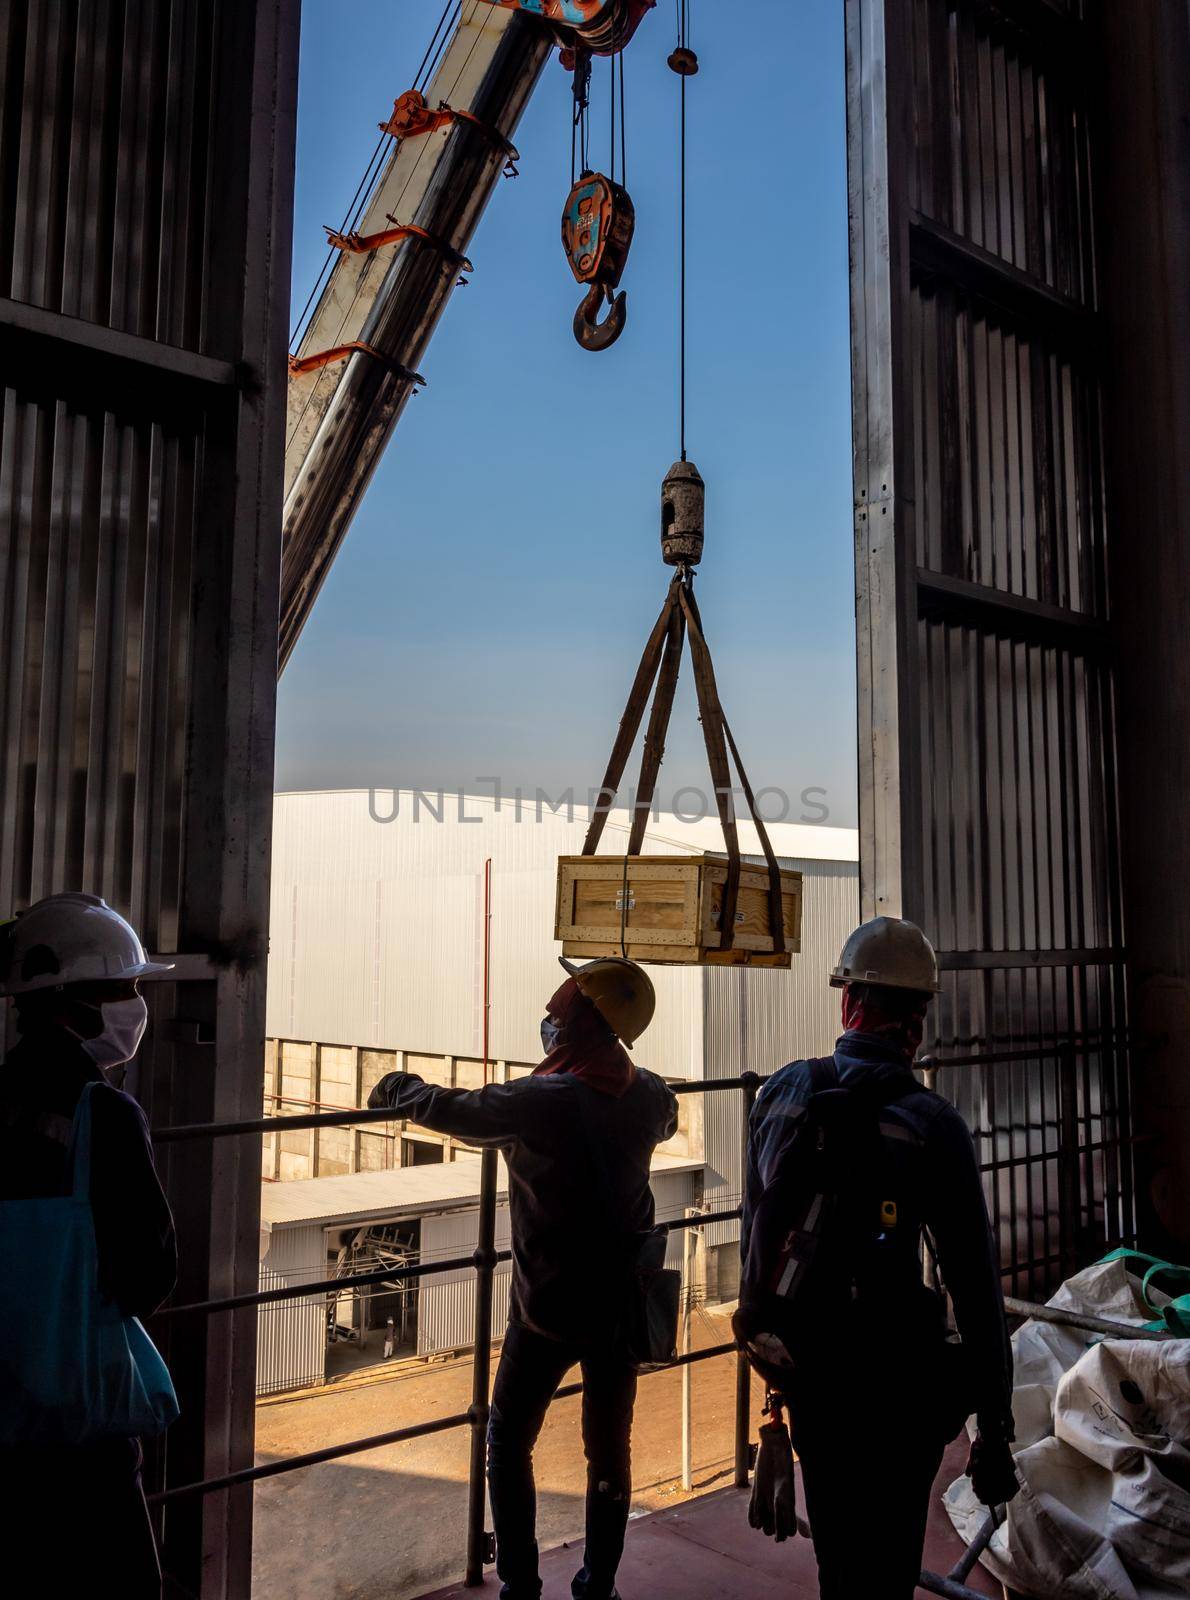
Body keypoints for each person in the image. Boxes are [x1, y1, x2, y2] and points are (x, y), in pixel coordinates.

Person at [369, 956, 678, 1600]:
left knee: (508, 1441)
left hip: (548, 1308)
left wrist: (395, 1087)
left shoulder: (540, 1101)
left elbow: (449, 1109)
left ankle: (520, 1585)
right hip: (622, 1305)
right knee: (608, 1451)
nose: (550, 1019)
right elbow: (667, 1110)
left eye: (561, 1011)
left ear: (579, 1022)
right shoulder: (646, 1093)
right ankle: (597, 1586)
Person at [741, 916, 1017, 1600]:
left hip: (808, 1371)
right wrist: (995, 1431)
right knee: (889, 1564)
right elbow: (974, 1289)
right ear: (917, 1022)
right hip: (896, 1389)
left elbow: (759, 1236)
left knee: (836, 1556)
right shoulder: (932, 1126)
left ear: (848, 1003)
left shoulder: (778, 1095)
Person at [0, 892, 178, 1598]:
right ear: (70, 999)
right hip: (76, 1413)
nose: (136, 1005)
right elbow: (148, 1272)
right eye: (125, 988)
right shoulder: (103, 1110)